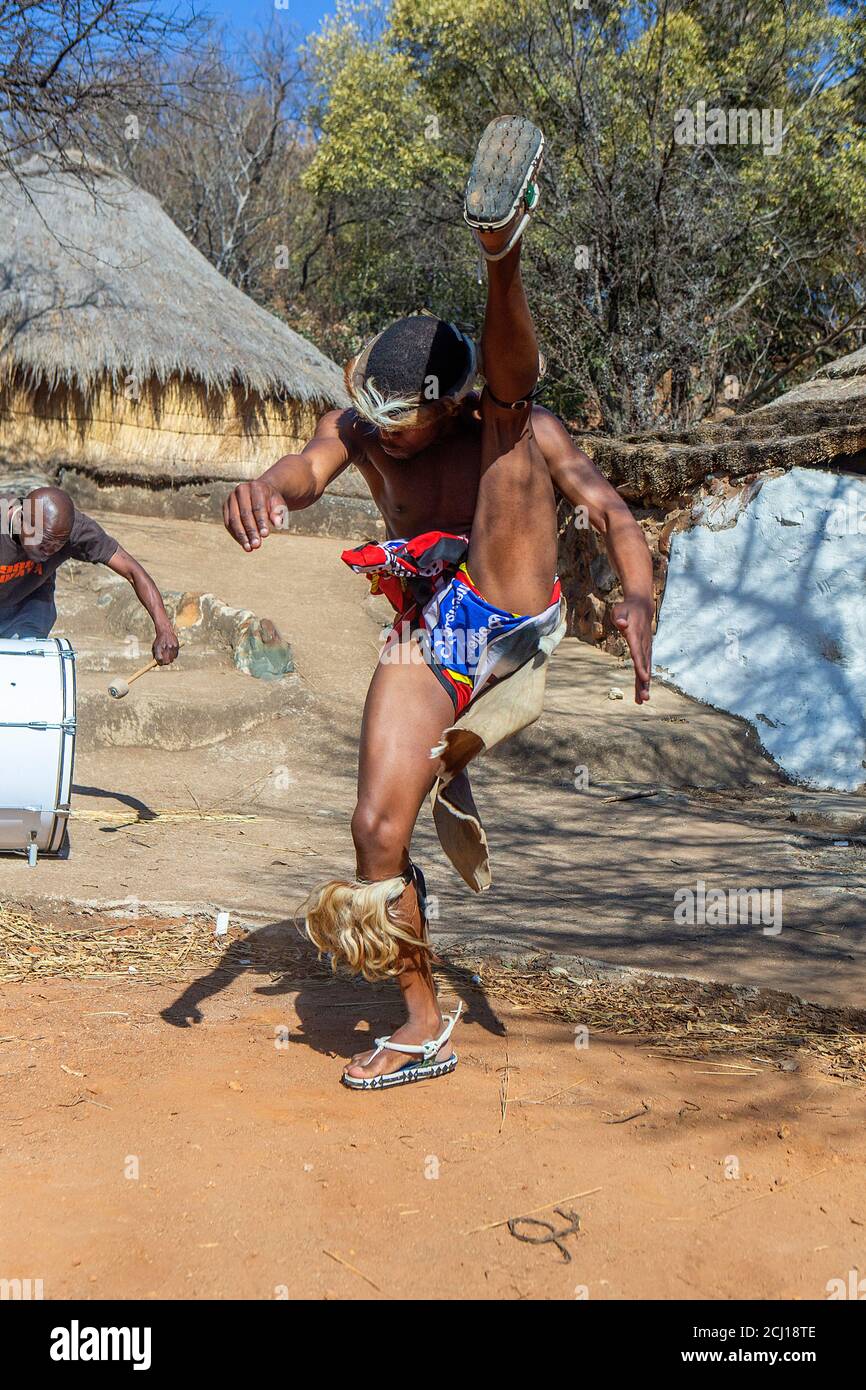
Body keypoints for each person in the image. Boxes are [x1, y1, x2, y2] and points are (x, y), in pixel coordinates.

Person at [224, 117, 654, 1090]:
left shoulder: (505, 422)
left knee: (513, 444)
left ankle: (500, 251)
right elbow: (304, 466)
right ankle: (421, 1027)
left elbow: (614, 513)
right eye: (373, 423)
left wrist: (633, 598)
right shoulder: (363, 431)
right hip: (438, 631)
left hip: (515, 612)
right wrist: (263, 486)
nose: (387, 441)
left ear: (447, 403)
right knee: (376, 831)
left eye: (404, 426)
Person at [0, 486, 179, 664]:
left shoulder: (74, 529)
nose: (48, 551)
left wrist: (164, 628)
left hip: (29, 602)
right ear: (23, 520)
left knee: (22, 664)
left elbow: (132, 570)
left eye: (57, 545)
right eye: (43, 541)